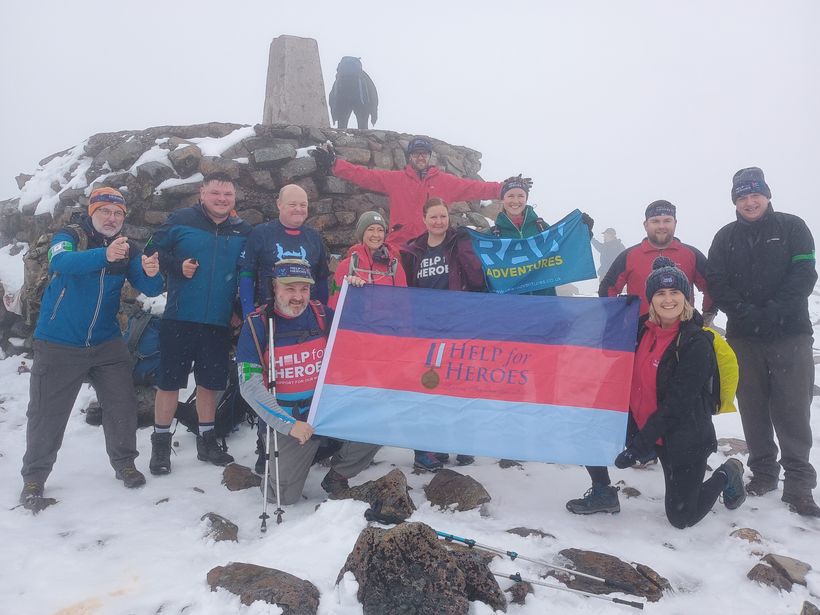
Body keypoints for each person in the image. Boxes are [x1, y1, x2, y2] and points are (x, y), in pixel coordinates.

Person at [568, 257, 746, 528]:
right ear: (650, 299)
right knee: (586, 425)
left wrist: (637, 448)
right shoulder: (641, 329)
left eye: (675, 292)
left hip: (682, 438)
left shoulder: (696, 342)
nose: (668, 300)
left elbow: (677, 406)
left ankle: (727, 473)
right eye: (660, 293)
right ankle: (603, 492)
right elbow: (612, 357)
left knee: (681, 518)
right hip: (643, 427)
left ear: (686, 297)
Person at [19, 187, 163, 511]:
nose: (111, 218)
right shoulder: (70, 235)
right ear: (92, 212)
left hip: (106, 341)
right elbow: (61, 261)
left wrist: (153, 273)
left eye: (118, 214)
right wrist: (103, 255)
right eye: (105, 212)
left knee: (121, 405)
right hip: (59, 341)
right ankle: (34, 477)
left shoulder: (127, 247)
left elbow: (150, 287)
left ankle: (125, 463)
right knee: (47, 413)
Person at [707, 167, 819, 517]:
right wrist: (741, 311)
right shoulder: (725, 237)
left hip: (791, 333)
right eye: (742, 197)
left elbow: (805, 273)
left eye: (755, 195)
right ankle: (765, 473)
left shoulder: (792, 227)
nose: (749, 201)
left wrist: (774, 311)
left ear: (766, 196)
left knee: (792, 408)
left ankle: (799, 484)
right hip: (744, 336)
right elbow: (717, 280)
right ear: (735, 202)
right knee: (753, 407)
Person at [237, 258, 380, 504]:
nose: (298, 296)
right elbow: (249, 387)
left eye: (304, 289)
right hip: (290, 422)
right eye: (290, 288)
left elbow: (361, 333)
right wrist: (289, 424)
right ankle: (284, 456)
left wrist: (359, 296)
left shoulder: (321, 314)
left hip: (327, 413)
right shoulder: (257, 324)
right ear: (275, 287)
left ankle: (338, 473)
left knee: (378, 421)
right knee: (282, 498)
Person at [144, 172, 252, 475]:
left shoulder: (243, 229)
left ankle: (207, 441)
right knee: (168, 383)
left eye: (227, 194)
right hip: (180, 316)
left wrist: (237, 310)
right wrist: (176, 266)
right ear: (202, 193)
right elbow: (150, 250)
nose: (221, 199)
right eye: (215, 193)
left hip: (218, 322)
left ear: (234, 198)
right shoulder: (180, 219)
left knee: (210, 384)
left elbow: (247, 272)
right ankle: (161, 446)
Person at [401, 197, 485, 471]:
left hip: (457, 327)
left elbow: (477, 278)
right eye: (433, 217)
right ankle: (431, 445)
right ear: (424, 219)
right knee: (430, 386)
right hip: (425, 330)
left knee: (458, 384)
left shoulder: (459, 242)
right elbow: (404, 286)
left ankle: (462, 442)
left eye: (443, 216)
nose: (439, 222)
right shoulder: (414, 249)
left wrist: (466, 247)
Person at [312, 137, 509, 247]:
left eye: (424, 154)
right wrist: (335, 164)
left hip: (434, 249)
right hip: (401, 247)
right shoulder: (395, 179)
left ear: (429, 156)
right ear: (410, 157)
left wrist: (504, 189)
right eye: (416, 153)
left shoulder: (445, 182)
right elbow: (364, 175)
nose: (421, 157)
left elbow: (475, 188)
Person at [600, 200, 716, 323]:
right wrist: (617, 319)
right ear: (646, 225)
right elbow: (607, 288)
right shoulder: (629, 255)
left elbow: (711, 287)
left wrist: (706, 316)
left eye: (667, 220)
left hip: (683, 335)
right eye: (655, 221)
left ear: (675, 223)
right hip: (640, 334)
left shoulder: (691, 254)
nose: (661, 226)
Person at [488, 176, 594, 296]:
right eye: (510, 196)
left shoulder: (541, 227)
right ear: (503, 199)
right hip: (511, 305)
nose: (516, 201)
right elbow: (479, 271)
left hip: (545, 301)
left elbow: (564, 252)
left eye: (521, 196)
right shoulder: (493, 234)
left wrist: (583, 232)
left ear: (526, 199)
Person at [238, 183, 330, 318]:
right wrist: (248, 312)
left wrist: (323, 314)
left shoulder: (314, 237)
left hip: (306, 317)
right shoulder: (261, 233)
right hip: (269, 316)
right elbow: (247, 274)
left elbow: (322, 279)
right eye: (292, 205)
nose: (298, 209)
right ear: (279, 204)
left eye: (303, 205)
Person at [328, 210, 407, 309]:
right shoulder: (347, 266)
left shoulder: (395, 267)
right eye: (370, 229)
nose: (376, 235)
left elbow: (404, 307)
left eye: (380, 230)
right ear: (362, 233)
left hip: (385, 324)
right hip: (354, 324)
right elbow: (334, 305)